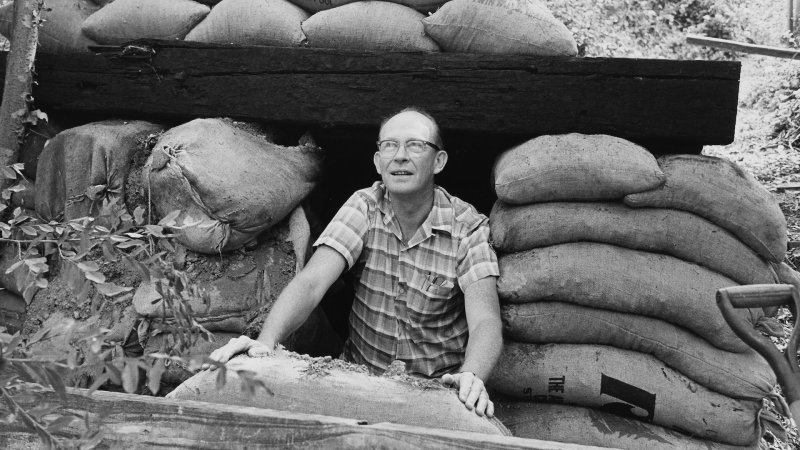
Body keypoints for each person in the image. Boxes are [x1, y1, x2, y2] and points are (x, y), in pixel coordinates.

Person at [206, 107, 503, 417]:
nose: (400, 156)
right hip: (360, 382)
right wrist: (266, 343)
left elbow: (485, 319)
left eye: (415, 145)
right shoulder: (365, 206)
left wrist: (472, 375)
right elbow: (312, 282)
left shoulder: (468, 227)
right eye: (389, 145)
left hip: (433, 392)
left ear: (439, 161)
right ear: (378, 162)